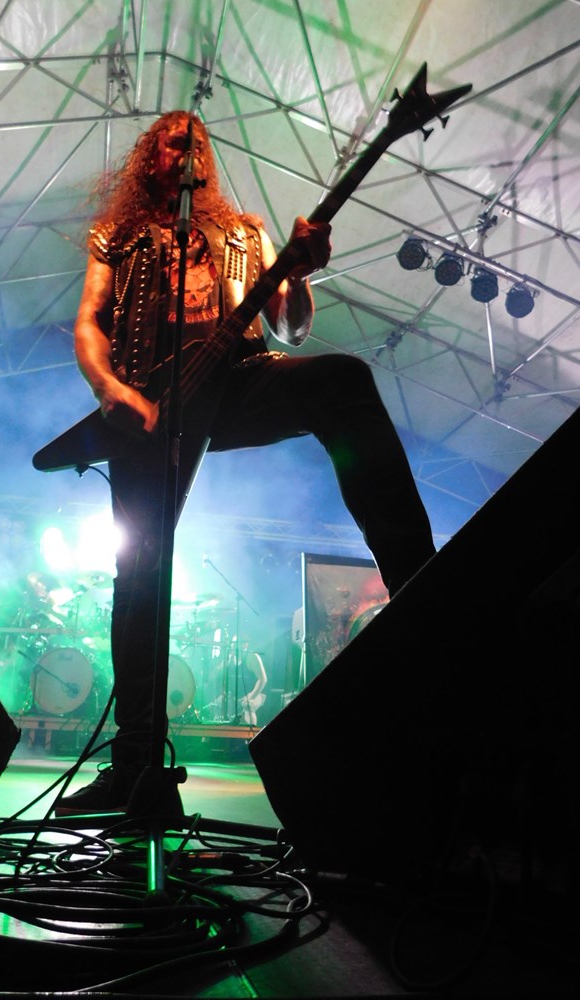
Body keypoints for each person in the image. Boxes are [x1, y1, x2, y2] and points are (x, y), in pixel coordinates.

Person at [54, 110, 436, 814]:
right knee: (141, 573)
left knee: (343, 380)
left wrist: (302, 273)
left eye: (198, 142)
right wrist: (109, 391)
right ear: (151, 156)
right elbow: (88, 322)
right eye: (175, 139)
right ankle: (133, 765)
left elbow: (291, 327)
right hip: (148, 406)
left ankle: (420, 582)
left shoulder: (243, 234)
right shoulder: (118, 235)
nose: (188, 149)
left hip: (235, 382)